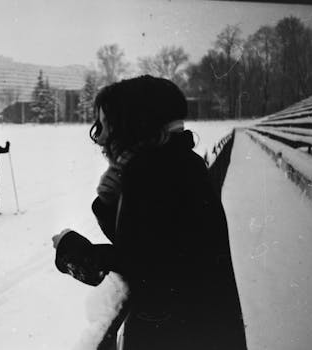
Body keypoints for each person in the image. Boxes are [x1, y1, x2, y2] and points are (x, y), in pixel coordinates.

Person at [52, 75, 247, 349]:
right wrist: (110, 203)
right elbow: (155, 247)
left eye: (107, 125)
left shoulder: (152, 176)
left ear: (134, 126)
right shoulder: (179, 165)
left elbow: (148, 274)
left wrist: (72, 250)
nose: (101, 137)